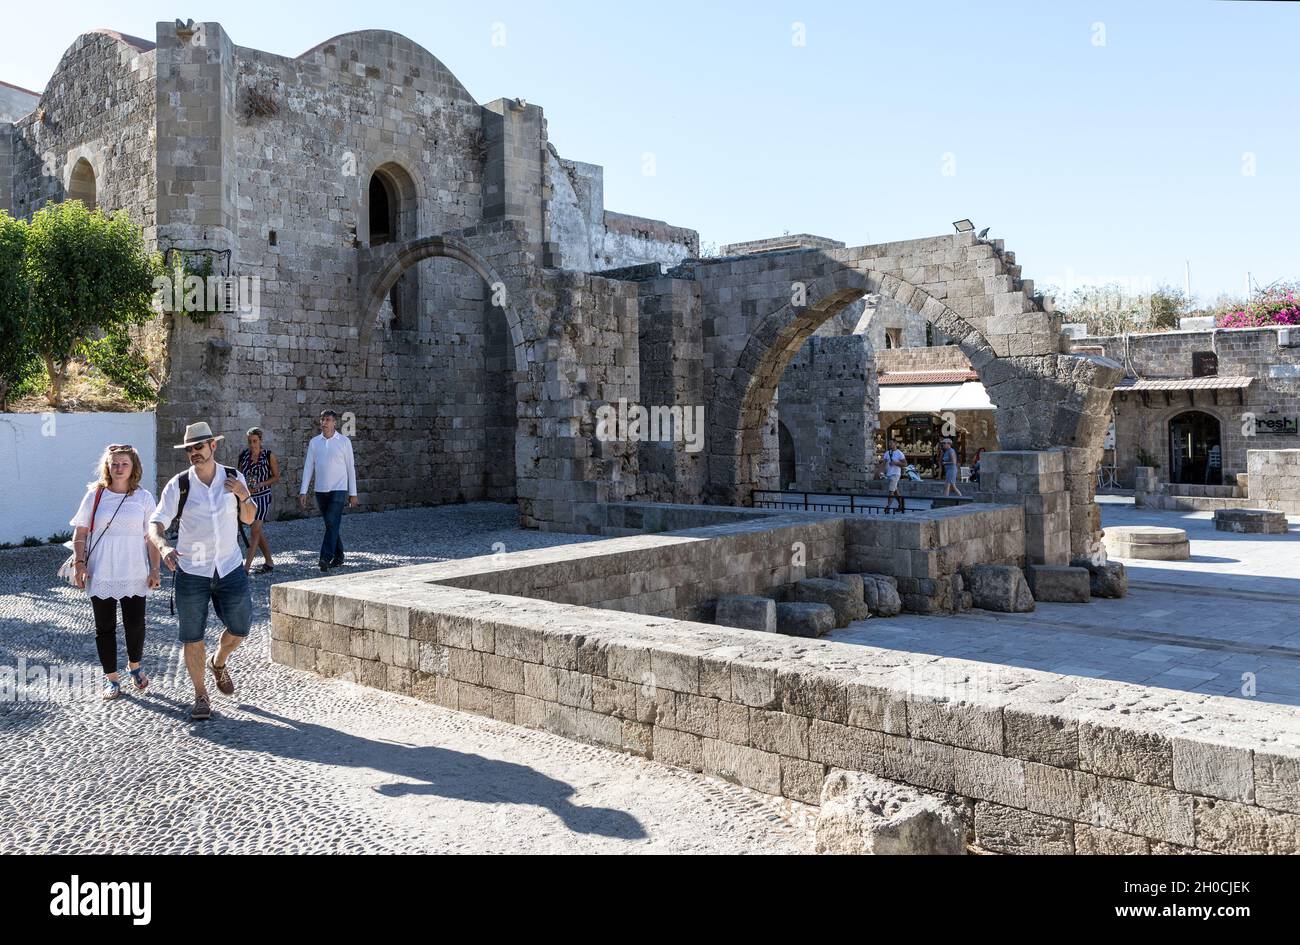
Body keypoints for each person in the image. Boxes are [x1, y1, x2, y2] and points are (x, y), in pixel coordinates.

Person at [148, 422, 258, 721]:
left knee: (241, 628)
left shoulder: (234, 478)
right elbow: (156, 522)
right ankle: (200, 696)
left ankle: (219, 661)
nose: (194, 452)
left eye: (199, 446)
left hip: (229, 568)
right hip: (191, 572)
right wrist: (163, 547)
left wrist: (244, 495)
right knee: (192, 636)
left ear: (213, 446)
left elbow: (248, 519)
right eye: (189, 449)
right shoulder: (179, 485)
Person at [70, 444, 161, 700]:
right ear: (107, 466)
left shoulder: (143, 498)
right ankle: (111, 679)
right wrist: (79, 563)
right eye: (114, 463)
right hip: (102, 570)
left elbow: (152, 537)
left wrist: (155, 569)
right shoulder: (95, 495)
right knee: (105, 627)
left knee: (135, 625)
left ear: (134, 468)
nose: (119, 468)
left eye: (124, 463)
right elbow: (80, 532)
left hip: (134, 570)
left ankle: (135, 667)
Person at [299, 409, 359, 572]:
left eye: (328, 420)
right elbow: (308, 467)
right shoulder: (315, 442)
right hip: (321, 490)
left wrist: (353, 493)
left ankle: (325, 557)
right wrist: (303, 490)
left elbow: (350, 468)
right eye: (322, 420)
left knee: (332, 523)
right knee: (331, 524)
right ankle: (339, 556)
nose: (324, 423)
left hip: (339, 489)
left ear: (334, 423)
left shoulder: (344, 442)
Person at [238, 427, 280, 574]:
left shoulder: (269, 456)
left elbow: (276, 476)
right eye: (250, 441)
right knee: (256, 529)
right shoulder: (243, 456)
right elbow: (239, 476)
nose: (252, 444)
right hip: (248, 497)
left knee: (255, 531)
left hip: (262, 496)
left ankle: (246, 567)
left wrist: (261, 484)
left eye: (255, 441)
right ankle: (269, 561)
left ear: (260, 441)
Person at [881, 438, 907, 512]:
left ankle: (888, 507)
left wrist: (896, 463)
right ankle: (901, 506)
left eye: (891, 443)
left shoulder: (899, 453)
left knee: (891, 491)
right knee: (895, 491)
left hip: (895, 474)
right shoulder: (887, 453)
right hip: (889, 474)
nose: (889, 444)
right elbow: (883, 463)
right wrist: (880, 472)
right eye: (889, 443)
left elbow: (905, 464)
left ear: (895, 444)